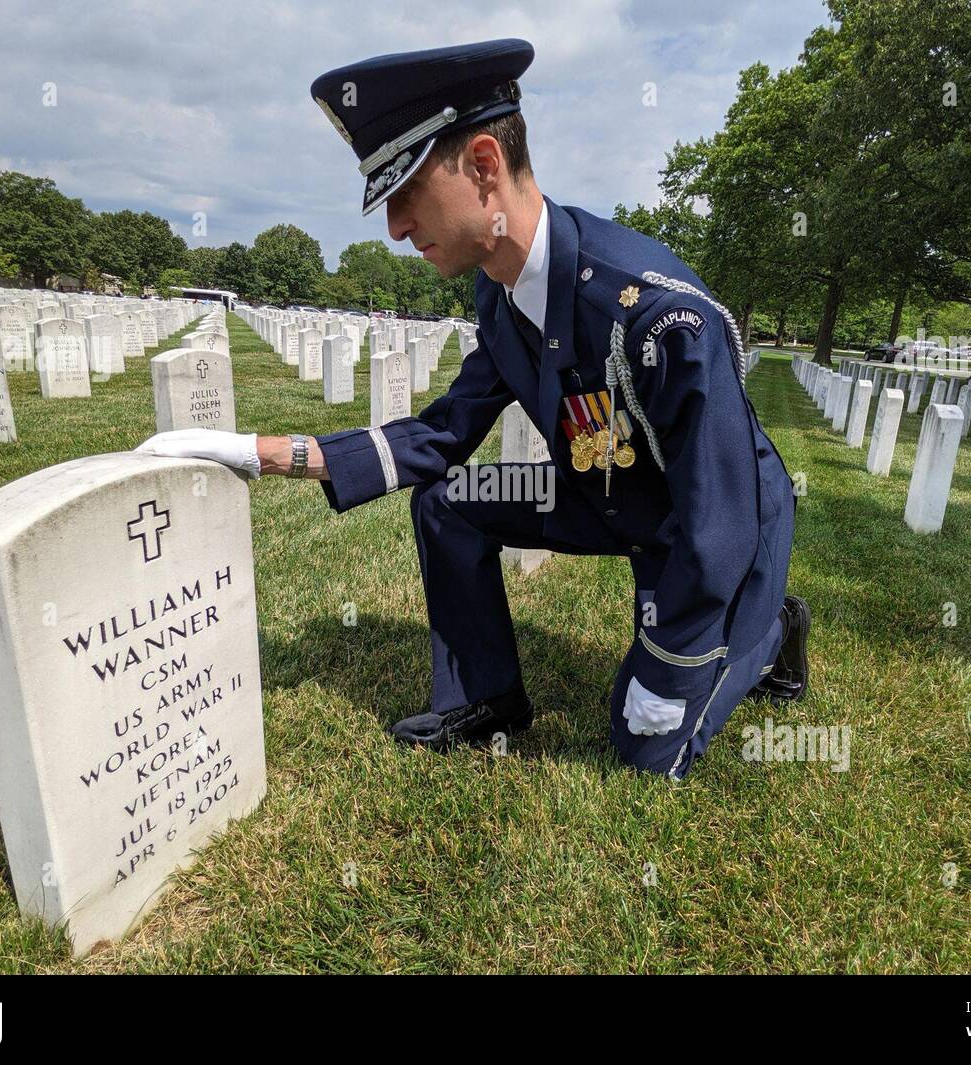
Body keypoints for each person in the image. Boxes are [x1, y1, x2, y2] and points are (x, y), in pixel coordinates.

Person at [137, 39, 808, 780]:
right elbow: (448, 430)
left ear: (485, 166)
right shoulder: (499, 292)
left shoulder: (654, 313)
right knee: (452, 501)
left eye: (406, 194)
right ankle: (484, 694)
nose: (394, 227)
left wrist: (669, 658)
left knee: (641, 748)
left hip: (714, 530)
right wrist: (275, 453)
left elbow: (721, 521)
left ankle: (773, 631)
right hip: (603, 492)